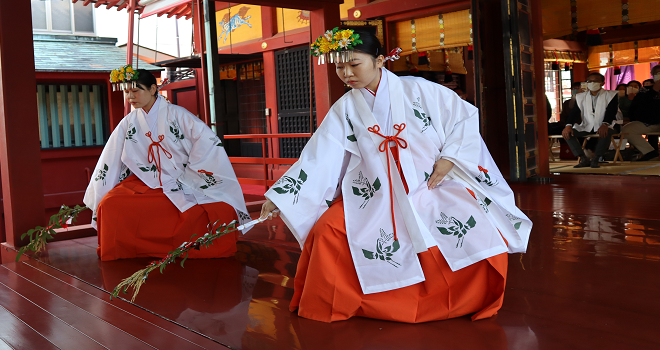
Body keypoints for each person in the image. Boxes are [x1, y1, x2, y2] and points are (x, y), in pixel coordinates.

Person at [259, 29, 531, 324]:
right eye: (339, 67)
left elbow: (464, 119)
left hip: (429, 182)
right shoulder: (346, 108)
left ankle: (466, 297)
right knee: (327, 232)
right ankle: (353, 299)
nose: (347, 73)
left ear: (379, 60)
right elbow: (320, 156)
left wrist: (450, 158)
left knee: (476, 226)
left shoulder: (421, 90)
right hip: (375, 191)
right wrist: (282, 197)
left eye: (354, 64)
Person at [83, 68, 251, 261]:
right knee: (109, 204)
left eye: (136, 91)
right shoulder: (128, 122)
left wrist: (190, 174)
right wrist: (102, 188)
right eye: (126, 92)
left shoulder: (179, 115)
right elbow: (111, 156)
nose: (130, 96)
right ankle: (128, 248)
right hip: (146, 181)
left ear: (153, 89)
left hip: (185, 177)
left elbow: (206, 141)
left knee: (219, 207)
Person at [562, 72, 621, 168]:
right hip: (588, 125)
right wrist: (568, 125)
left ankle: (596, 158)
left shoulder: (611, 95)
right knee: (567, 133)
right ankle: (583, 158)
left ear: (602, 83)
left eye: (596, 81)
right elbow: (574, 112)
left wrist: (605, 124)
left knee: (605, 132)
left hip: (610, 124)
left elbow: (611, 112)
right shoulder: (581, 96)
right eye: (590, 81)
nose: (592, 83)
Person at [623, 64, 660, 161]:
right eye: (658, 74)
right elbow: (638, 106)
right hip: (647, 122)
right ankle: (649, 152)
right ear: (653, 76)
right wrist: (654, 90)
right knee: (627, 129)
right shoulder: (645, 90)